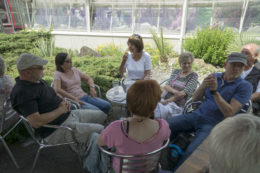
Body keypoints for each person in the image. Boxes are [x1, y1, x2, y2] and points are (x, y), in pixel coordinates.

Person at [167, 52, 253, 171]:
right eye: (234, 65)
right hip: (196, 115)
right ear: (225, 64)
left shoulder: (245, 86)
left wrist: (215, 92)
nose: (237, 68)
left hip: (214, 124)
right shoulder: (215, 77)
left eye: (241, 66)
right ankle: (164, 161)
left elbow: (229, 113)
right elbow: (195, 98)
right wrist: (203, 85)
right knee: (165, 126)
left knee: (192, 153)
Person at [11, 53, 107, 153]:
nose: (43, 69)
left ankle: (88, 144)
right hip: (56, 129)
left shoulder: (37, 81)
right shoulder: (23, 92)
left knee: (102, 115)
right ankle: (96, 157)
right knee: (102, 130)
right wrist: (60, 110)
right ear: (26, 72)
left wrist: (63, 101)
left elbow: (53, 95)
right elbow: (36, 122)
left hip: (69, 115)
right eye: (39, 67)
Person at [83, 80, 171, 173]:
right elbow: (165, 138)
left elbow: (100, 142)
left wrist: (124, 122)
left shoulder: (117, 127)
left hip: (120, 170)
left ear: (129, 102)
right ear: (155, 104)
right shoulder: (163, 125)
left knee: (94, 136)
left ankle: (89, 169)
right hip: (150, 168)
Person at [154, 52, 198, 119]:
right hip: (163, 98)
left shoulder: (193, 76)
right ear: (180, 64)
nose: (187, 65)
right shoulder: (176, 72)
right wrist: (176, 92)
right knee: (148, 106)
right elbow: (166, 86)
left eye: (189, 63)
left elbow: (183, 94)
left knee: (155, 113)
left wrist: (168, 101)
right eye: (184, 63)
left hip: (177, 105)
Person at [241, 43, 260, 115]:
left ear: (256, 56)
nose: (242, 55)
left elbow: (258, 94)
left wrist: (239, 100)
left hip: (250, 105)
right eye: (241, 53)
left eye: (246, 53)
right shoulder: (235, 66)